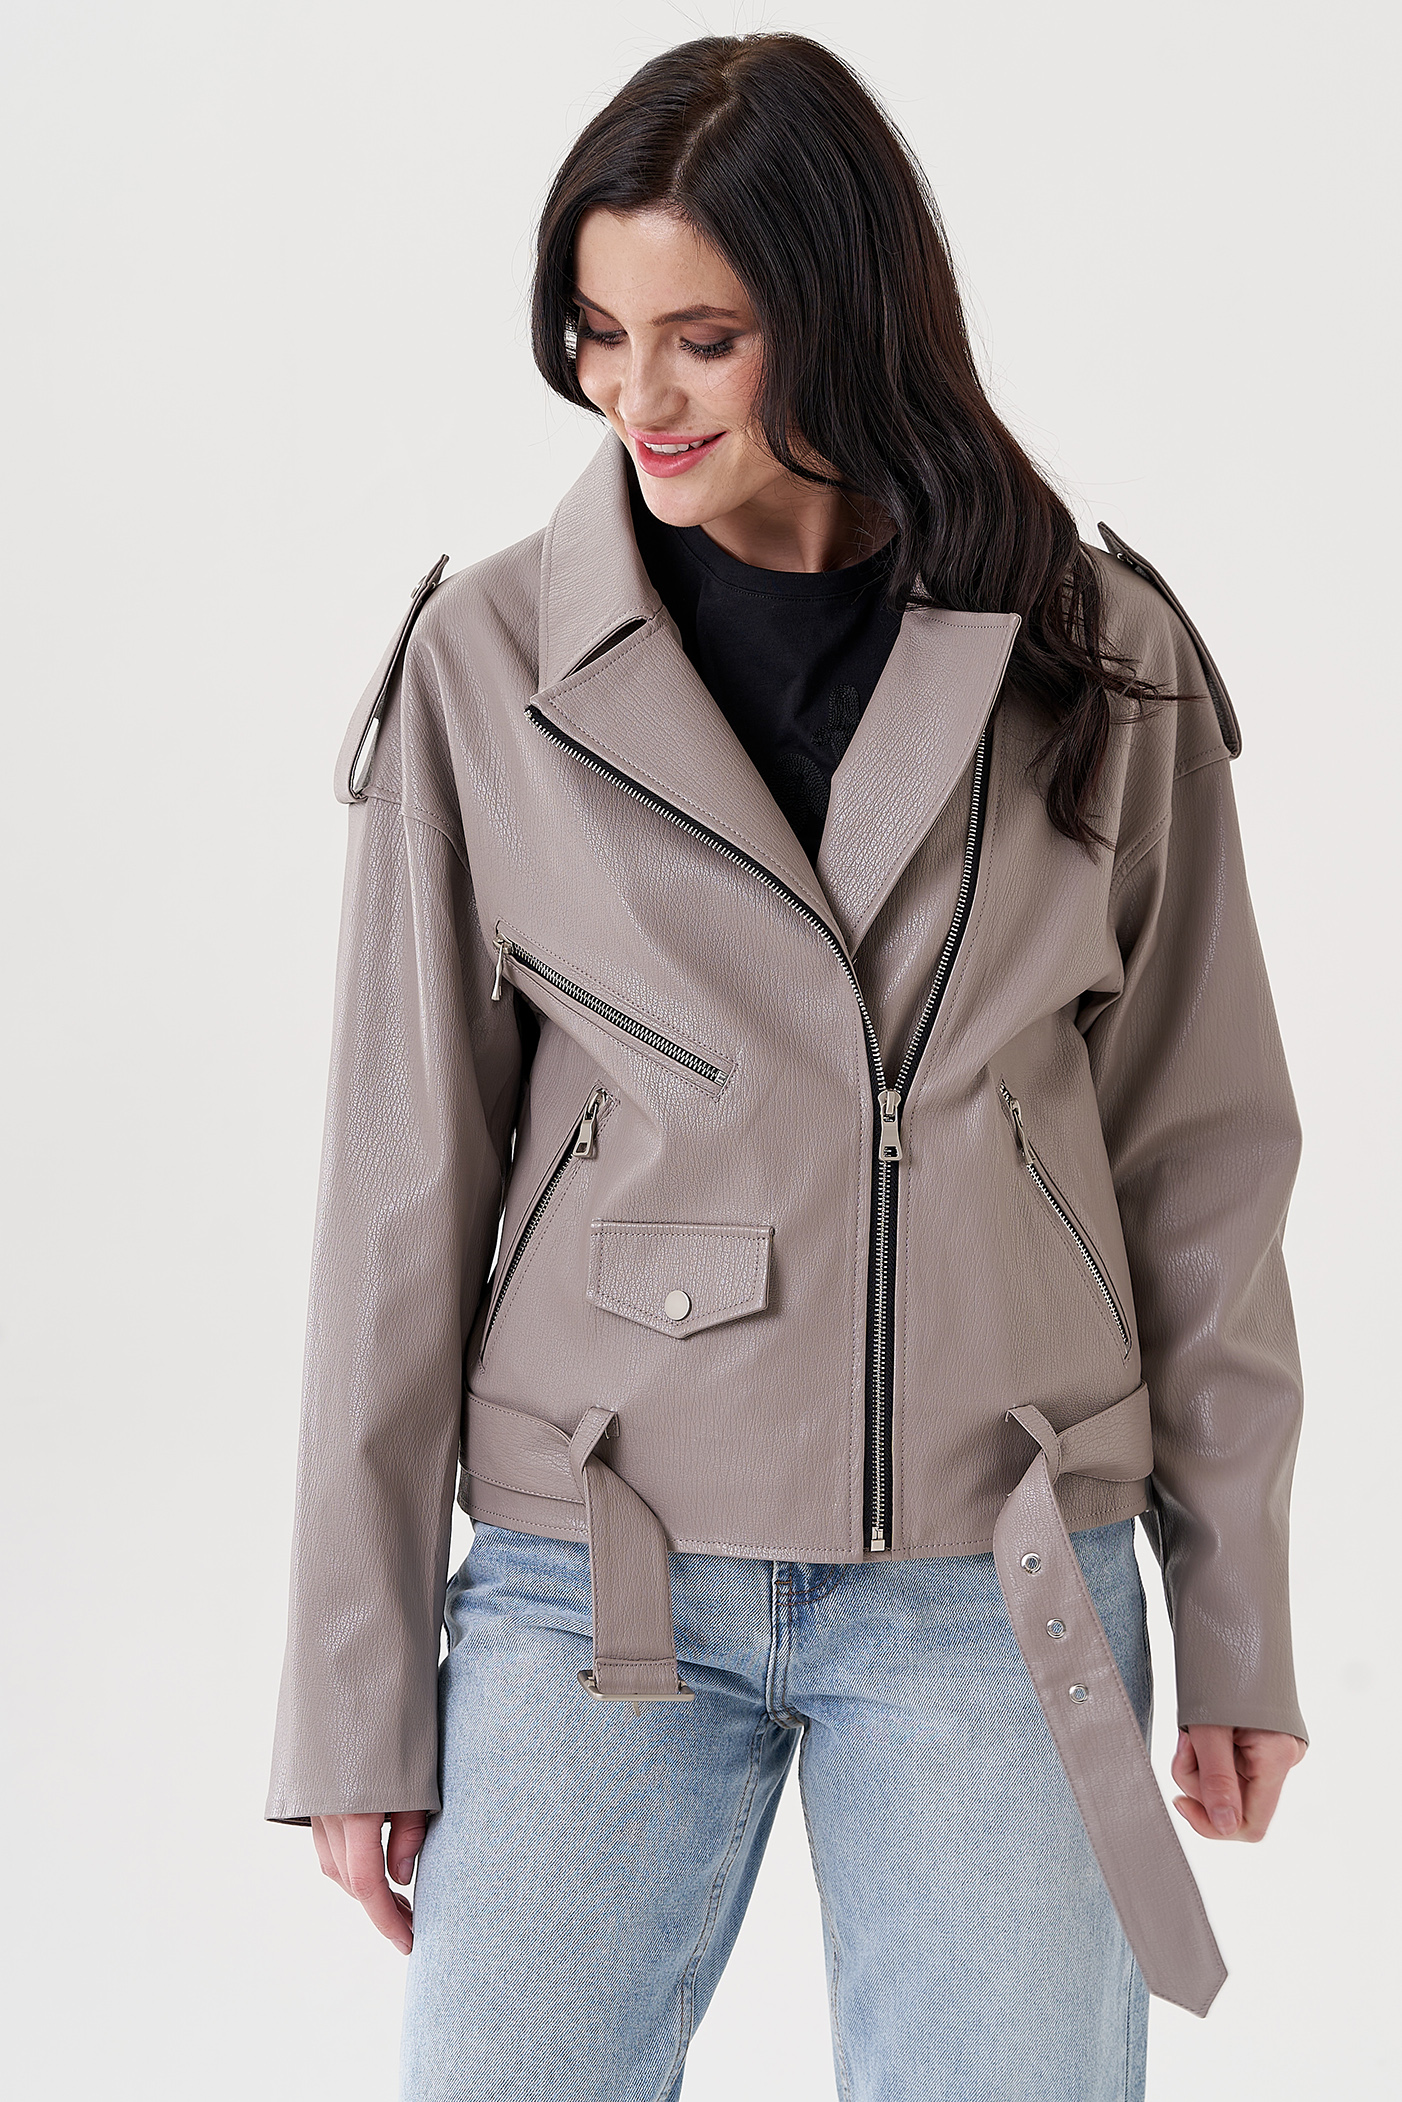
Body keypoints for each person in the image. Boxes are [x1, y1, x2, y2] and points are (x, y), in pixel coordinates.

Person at [266, 32, 1308, 2102]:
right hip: (589, 1570)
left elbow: (1198, 1156)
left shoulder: (1095, 658)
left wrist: (1240, 1618)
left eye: (702, 338)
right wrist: (354, 1697)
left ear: (840, 315)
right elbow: (398, 1199)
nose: (634, 397)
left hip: (996, 1576)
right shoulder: (485, 665)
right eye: (597, 333)